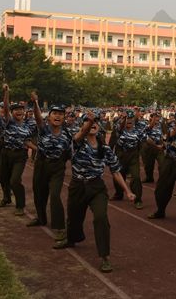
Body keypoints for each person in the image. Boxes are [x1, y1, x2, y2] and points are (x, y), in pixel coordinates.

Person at [57, 110, 135, 273]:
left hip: (96, 187)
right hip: (78, 186)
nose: (92, 125)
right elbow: (79, 135)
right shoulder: (77, 142)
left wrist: (127, 191)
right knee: (74, 217)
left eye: (95, 123)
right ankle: (71, 239)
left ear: (99, 127)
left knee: (101, 219)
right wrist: (89, 120)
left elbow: (115, 171)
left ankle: (105, 257)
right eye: (87, 122)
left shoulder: (105, 148)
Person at [28, 93, 75, 249]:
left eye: (61, 114)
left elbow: (70, 153)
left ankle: (60, 229)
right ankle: (41, 218)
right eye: (55, 113)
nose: (58, 116)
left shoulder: (68, 134)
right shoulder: (43, 129)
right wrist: (35, 102)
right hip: (41, 164)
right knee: (39, 192)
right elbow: (37, 117)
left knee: (55, 195)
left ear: (64, 118)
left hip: (57, 167)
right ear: (49, 117)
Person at [147, 108, 176, 223]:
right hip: (169, 163)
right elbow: (172, 136)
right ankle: (160, 210)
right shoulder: (170, 129)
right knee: (161, 191)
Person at [0, 84, 38, 215]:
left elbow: (26, 141)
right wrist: (6, 92)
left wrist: (37, 149)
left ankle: (20, 206)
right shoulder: (9, 121)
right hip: (5, 153)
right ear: (12, 112)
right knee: (4, 178)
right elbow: (5, 107)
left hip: (20, 156)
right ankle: (6, 198)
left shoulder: (28, 125)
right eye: (16, 110)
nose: (19, 111)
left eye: (21, 109)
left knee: (15, 180)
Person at [111, 109, 145, 209]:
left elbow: (144, 140)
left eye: (130, 118)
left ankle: (138, 199)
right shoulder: (118, 126)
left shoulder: (137, 130)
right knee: (118, 176)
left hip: (133, 156)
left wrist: (157, 146)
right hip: (120, 155)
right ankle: (119, 194)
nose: (128, 120)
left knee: (136, 177)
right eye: (127, 118)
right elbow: (119, 130)